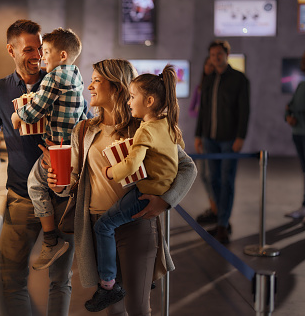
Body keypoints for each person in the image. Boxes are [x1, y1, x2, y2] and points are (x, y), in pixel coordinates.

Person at [48, 59, 197, 315]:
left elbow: (188, 167)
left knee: (138, 308)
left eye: (96, 79)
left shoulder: (145, 127)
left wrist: (166, 200)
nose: (90, 85)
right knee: (112, 308)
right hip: (96, 225)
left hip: (136, 223)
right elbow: (74, 180)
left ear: (116, 86)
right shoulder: (84, 129)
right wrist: (58, 184)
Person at [0, 19, 75, 316]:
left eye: (40, 49)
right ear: (11, 50)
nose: (37, 55)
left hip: (63, 197)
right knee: (10, 278)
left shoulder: (60, 81)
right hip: (21, 196)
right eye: (29, 49)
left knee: (60, 281)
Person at [11, 27, 86, 270]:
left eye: (45, 52)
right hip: (71, 146)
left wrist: (17, 115)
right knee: (58, 186)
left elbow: (34, 112)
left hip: (58, 148)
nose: (42, 57)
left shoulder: (53, 77)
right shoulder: (76, 75)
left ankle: (51, 239)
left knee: (35, 184)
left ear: (62, 55)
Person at [194, 40, 250, 244]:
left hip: (229, 140)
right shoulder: (208, 80)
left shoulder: (239, 79)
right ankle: (221, 218)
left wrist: (240, 137)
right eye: (213, 54)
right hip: (209, 138)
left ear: (227, 55)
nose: (216, 57)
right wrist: (199, 134)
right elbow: (203, 110)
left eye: (219, 54)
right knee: (212, 179)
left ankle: (223, 224)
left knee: (227, 181)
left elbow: (244, 110)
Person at [189, 57, 218, 224]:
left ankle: (217, 211)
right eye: (207, 63)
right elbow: (195, 112)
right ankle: (214, 208)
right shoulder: (201, 88)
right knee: (206, 176)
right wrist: (199, 134)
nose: (210, 66)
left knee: (213, 176)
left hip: (216, 136)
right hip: (205, 134)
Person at [284, 49, 305, 224]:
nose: (303, 61)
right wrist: (289, 116)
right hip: (299, 133)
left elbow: (302, 106)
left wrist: (295, 112)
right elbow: (290, 106)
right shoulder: (302, 85)